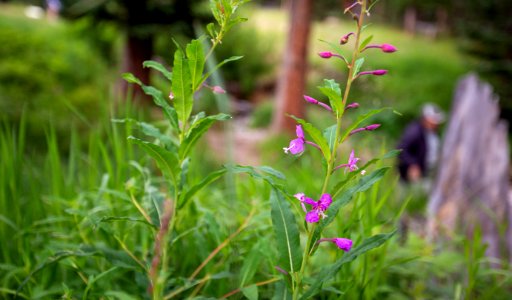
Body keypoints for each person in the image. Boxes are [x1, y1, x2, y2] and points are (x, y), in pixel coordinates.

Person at [397, 103, 445, 183]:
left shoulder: (432, 133)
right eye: (434, 120)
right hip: (412, 177)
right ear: (426, 119)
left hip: (428, 173)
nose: (437, 124)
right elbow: (401, 149)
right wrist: (412, 164)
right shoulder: (414, 132)